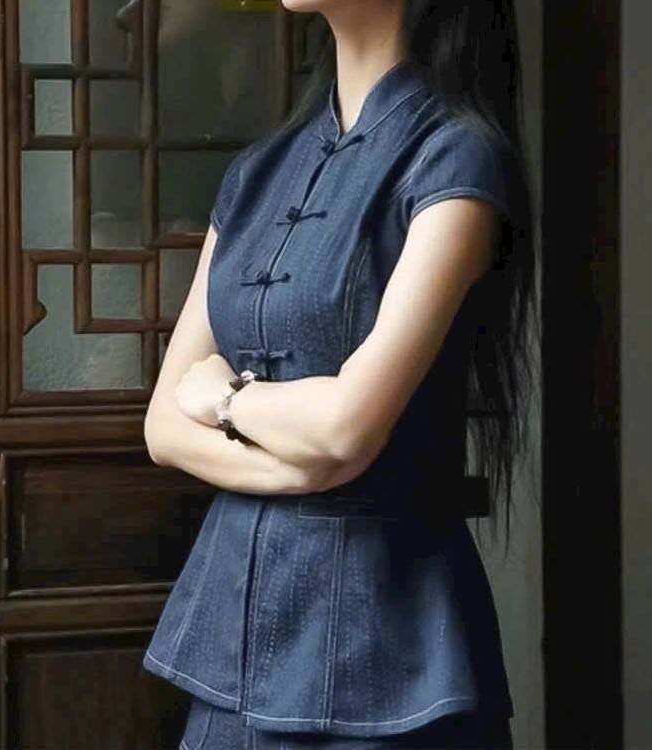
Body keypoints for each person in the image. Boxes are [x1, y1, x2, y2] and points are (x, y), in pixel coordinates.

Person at [141, 0, 537, 748]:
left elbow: (347, 427)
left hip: (389, 645)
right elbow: (163, 426)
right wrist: (305, 465)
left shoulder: (457, 159)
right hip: (232, 640)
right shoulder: (256, 173)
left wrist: (225, 398)